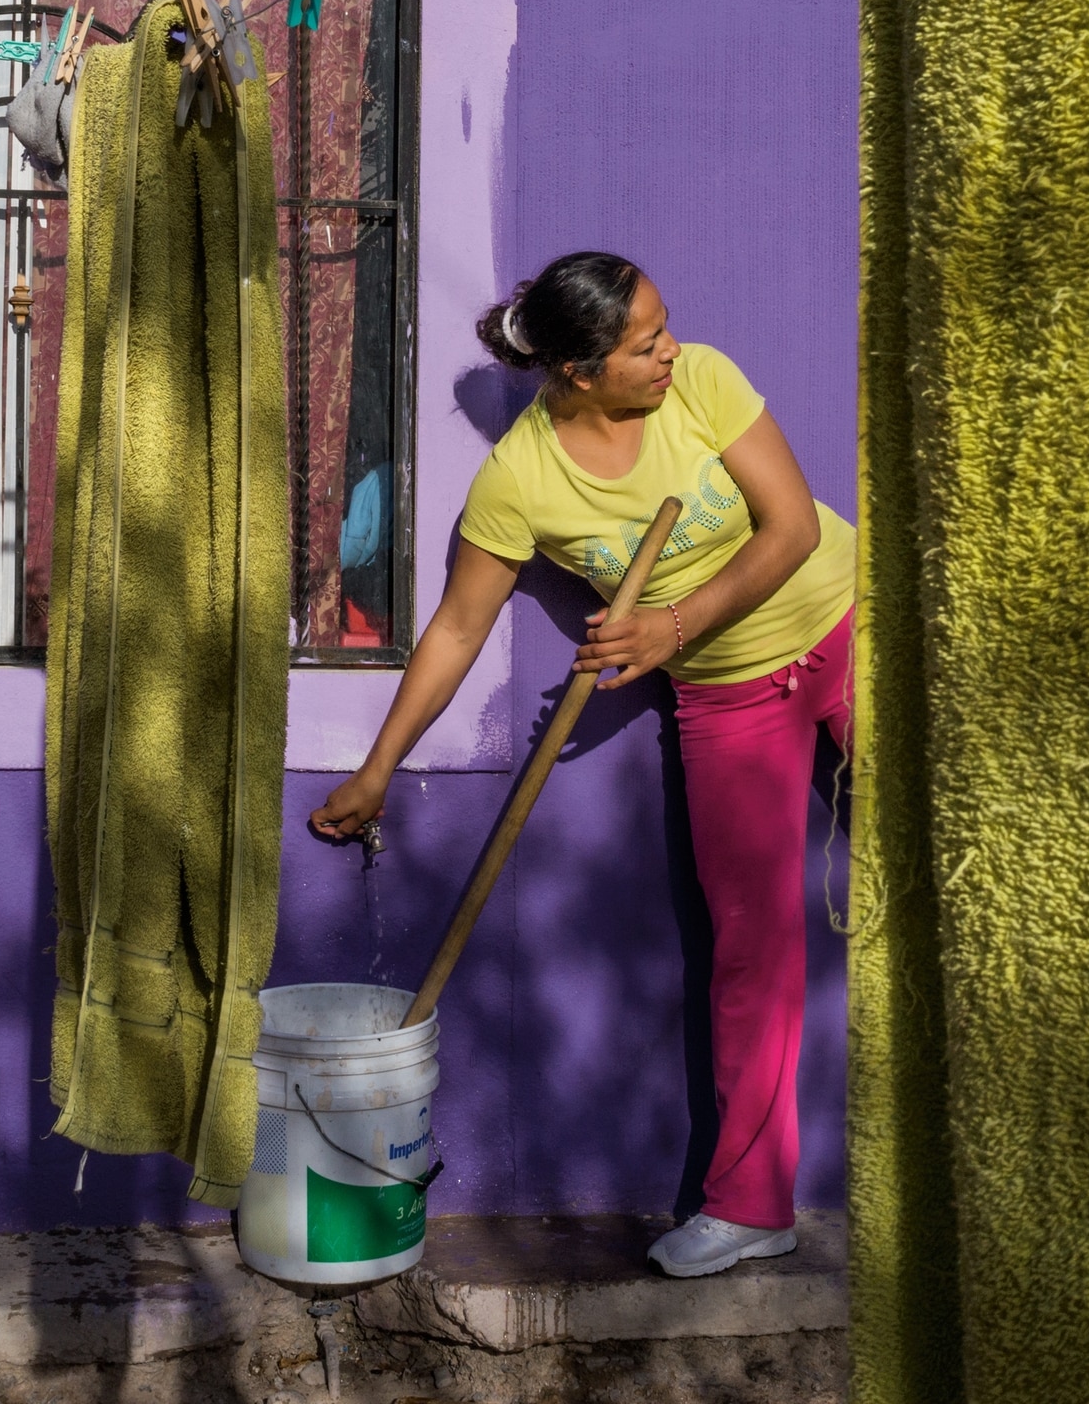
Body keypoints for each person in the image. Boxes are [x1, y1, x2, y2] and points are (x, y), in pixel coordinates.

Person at [309, 250, 857, 1278]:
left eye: (663, 325)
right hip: (727, 692)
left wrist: (668, 624)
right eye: (645, 342)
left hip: (841, 619)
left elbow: (787, 529)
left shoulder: (705, 381)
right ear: (577, 369)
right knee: (750, 942)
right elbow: (457, 629)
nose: (670, 350)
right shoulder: (521, 478)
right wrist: (379, 767)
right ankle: (750, 1206)